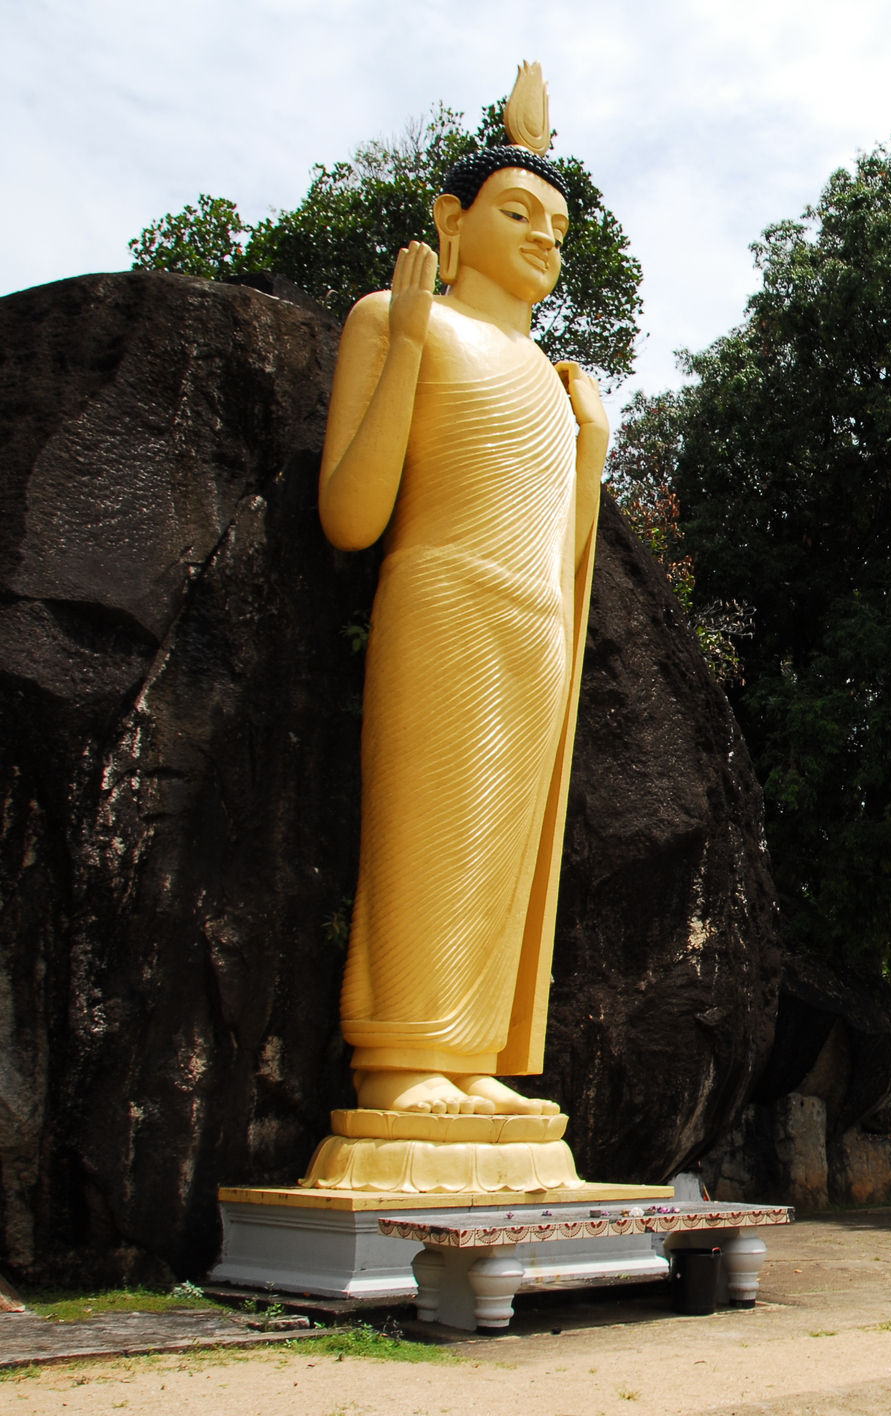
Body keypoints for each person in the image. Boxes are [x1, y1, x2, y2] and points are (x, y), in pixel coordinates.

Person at [317, 63, 607, 1119]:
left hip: (535, 626)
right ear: (453, 217)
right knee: (428, 826)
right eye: (519, 211)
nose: (543, 238)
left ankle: (470, 1051)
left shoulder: (554, 380)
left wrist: (593, 452)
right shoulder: (402, 323)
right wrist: (400, 344)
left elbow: (565, 550)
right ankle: (401, 1057)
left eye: (558, 229)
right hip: (441, 600)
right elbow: (351, 513)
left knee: (505, 841)